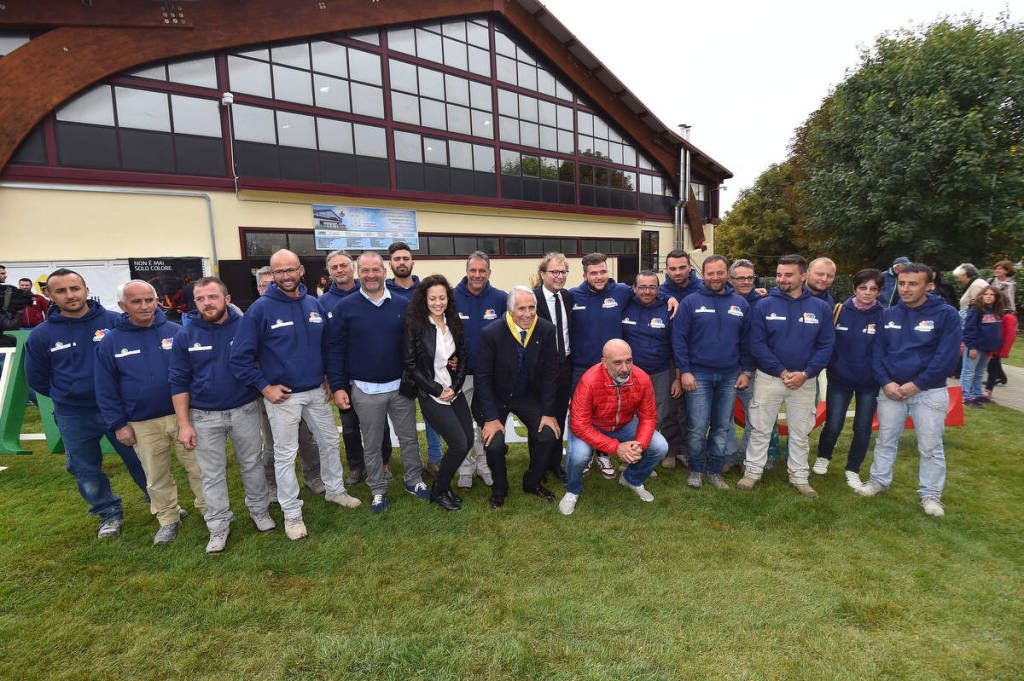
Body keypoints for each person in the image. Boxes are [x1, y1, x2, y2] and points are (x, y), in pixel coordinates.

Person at [231, 249, 360, 542]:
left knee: (329, 441)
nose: (286, 276)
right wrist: (265, 387)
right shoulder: (260, 309)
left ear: (301, 270)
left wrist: (328, 378)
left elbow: (326, 347)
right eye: (279, 272)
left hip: (316, 391)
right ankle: (292, 513)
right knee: (285, 456)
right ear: (271, 276)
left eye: (290, 270)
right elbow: (240, 357)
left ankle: (335, 491)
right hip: (283, 397)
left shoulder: (313, 304)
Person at [24, 268, 149, 539]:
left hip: (120, 410)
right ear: (50, 295)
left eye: (75, 288)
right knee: (86, 469)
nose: (70, 295)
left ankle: (161, 504)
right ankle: (108, 513)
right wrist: (69, 393)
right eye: (61, 291)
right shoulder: (41, 336)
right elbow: (37, 379)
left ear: (86, 290)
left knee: (142, 460)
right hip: (73, 415)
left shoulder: (115, 322)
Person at [94, 279, 206, 545]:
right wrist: (119, 424)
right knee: (156, 475)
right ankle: (168, 519)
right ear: (123, 305)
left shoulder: (177, 332)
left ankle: (210, 511)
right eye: (136, 301)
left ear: (157, 301)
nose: (144, 306)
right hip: (141, 422)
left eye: (148, 300)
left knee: (200, 468)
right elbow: (105, 387)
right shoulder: (110, 343)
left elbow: (195, 372)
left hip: (183, 417)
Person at [169, 277, 276, 554]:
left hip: (244, 409)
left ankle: (260, 511)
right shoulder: (185, 336)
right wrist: (184, 424)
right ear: (195, 303)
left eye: (213, 297)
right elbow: (178, 381)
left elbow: (262, 361)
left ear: (226, 299)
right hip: (203, 417)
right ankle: (218, 525)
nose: (207, 303)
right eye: (201, 299)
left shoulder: (245, 327)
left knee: (251, 464)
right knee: (212, 474)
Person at [857, 263, 961, 517]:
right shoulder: (888, 314)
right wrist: (886, 382)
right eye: (901, 283)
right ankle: (878, 481)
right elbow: (877, 353)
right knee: (884, 440)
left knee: (930, 446)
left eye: (913, 284)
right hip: (891, 391)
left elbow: (946, 358)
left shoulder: (946, 314)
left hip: (928, 392)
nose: (905, 289)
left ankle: (931, 495)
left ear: (929, 285)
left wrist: (917, 384)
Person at [328, 251, 426, 514]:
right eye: (365, 270)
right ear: (358, 273)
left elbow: (415, 345)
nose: (371, 275)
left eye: (376, 270)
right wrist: (338, 387)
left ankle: (414, 481)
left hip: (400, 388)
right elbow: (335, 350)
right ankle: (378, 490)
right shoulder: (345, 308)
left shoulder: (403, 304)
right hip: (365, 390)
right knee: (371, 444)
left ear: (384, 271)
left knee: (408, 439)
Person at [736, 255, 835, 497]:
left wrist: (806, 373)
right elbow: (757, 344)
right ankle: (752, 472)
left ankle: (799, 476)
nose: (782, 279)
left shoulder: (821, 308)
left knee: (801, 432)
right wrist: (781, 371)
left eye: (788, 275)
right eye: (779, 274)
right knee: (760, 428)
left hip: (805, 381)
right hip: (769, 379)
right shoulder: (764, 305)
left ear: (803, 276)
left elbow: (826, 346)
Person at [474, 286, 561, 508]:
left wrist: (549, 413)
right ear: (510, 310)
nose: (528, 313)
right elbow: (482, 378)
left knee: (548, 435)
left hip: (526, 396)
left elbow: (552, 373)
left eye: (532, 308)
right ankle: (499, 488)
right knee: (493, 444)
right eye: (522, 308)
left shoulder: (546, 330)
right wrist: (491, 418)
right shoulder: (491, 333)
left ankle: (532, 482)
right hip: (496, 397)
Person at [560, 339, 668, 515]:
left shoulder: (642, 378)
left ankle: (631, 479)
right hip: (591, 425)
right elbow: (579, 424)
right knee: (579, 456)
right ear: (604, 362)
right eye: (618, 362)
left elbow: (648, 417)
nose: (625, 368)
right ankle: (572, 490)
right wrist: (617, 448)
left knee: (660, 446)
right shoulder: (589, 380)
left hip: (623, 424)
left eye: (629, 361)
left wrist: (637, 446)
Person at [673, 255, 751, 490]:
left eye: (720, 273)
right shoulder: (691, 302)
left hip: (729, 376)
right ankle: (696, 469)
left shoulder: (740, 304)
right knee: (697, 427)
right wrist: (684, 372)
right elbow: (679, 340)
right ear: (703, 274)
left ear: (728, 275)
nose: (715, 277)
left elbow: (747, 342)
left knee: (721, 428)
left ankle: (715, 471)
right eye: (710, 273)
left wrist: (745, 371)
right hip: (698, 376)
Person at [317, 251, 392, 487]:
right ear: (329, 272)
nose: (339, 270)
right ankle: (356, 465)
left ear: (353, 269)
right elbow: (325, 342)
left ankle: (384, 461)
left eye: (343, 265)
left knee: (378, 422)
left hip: (371, 371)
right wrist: (330, 377)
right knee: (349, 425)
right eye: (334, 267)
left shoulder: (372, 294)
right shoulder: (322, 303)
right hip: (343, 375)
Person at [253, 266, 323, 501]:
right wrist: (264, 386)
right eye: (263, 284)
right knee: (274, 444)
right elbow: (245, 356)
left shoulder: (307, 304)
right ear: (258, 288)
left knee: (307, 439)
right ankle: (272, 484)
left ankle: (313, 477)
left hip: (306, 390)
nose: (268, 287)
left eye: (269, 283)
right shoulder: (257, 313)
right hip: (275, 393)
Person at [402, 275, 472, 510]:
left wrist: (456, 386)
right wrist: (437, 389)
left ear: (448, 299)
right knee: (459, 443)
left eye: (442, 297)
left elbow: (462, 357)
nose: (438, 302)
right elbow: (410, 365)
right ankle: (439, 491)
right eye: (433, 298)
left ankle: (443, 487)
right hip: (431, 393)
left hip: (454, 390)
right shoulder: (415, 325)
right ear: (424, 299)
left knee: (468, 439)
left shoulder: (454, 321)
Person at [811, 269, 885, 489]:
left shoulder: (884, 315)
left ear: (879, 291)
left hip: (869, 383)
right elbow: (826, 342)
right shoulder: (838, 310)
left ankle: (853, 468)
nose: (867, 293)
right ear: (854, 289)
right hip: (840, 379)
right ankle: (824, 456)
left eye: (873, 289)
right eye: (863, 288)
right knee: (833, 423)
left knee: (863, 428)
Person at [570, 252, 639, 479]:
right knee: (585, 415)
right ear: (585, 275)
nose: (599, 277)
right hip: (581, 368)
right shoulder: (572, 296)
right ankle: (587, 453)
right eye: (594, 273)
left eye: (602, 272)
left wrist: (670, 297)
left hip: (612, 369)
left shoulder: (621, 292)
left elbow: (649, 293)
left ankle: (604, 453)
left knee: (609, 413)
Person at [385, 240, 442, 476]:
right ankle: (414, 460)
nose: (401, 262)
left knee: (432, 415)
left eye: (405, 258)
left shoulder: (425, 291)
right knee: (405, 419)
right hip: (399, 367)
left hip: (428, 366)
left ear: (412, 262)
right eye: (397, 259)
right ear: (390, 263)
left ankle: (435, 459)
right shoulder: (384, 292)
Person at [452, 251, 505, 489]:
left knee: (486, 424)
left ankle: (484, 466)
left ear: (489, 273)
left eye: (482, 271)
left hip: (489, 376)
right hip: (460, 377)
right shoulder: (451, 298)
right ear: (466, 271)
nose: (477, 275)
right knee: (462, 424)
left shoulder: (501, 299)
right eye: (473, 270)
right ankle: (465, 467)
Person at [621, 270, 676, 478]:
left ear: (658, 289)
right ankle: (629, 459)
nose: (647, 291)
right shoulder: (625, 304)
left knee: (655, 419)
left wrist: (677, 377)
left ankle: (645, 459)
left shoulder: (668, 308)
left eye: (652, 287)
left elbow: (676, 344)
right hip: (629, 375)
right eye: (642, 287)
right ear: (634, 288)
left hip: (659, 373)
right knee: (630, 419)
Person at [723, 258, 768, 470]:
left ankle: (748, 458)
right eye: (740, 278)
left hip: (755, 370)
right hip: (728, 368)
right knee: (725, 417)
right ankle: (729, 456)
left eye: (750, 278)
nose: (746, 282)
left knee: (755, 418)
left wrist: (750, 368)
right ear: (730, 279)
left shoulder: (764, 302)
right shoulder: (721, 299)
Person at [532, 253, 573, 483]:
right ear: (543, 274)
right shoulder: (532, 299)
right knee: (538, 419)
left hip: (564, 366)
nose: (559, 276)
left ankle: (555, 464)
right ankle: (538, 466)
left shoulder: (567, 298)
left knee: (558, 416)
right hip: (540, 370)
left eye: (563, 272)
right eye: (554, 272)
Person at [657, 249, 700, 470]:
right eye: (672, 268)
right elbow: (636, 292)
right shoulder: (661, 290)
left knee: (693, 410)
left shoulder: (702, 288)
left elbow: (728, 292)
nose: (677, 272)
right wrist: (666, 297)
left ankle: (689, 450)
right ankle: (672, 450)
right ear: (666, 270)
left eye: (682, 267)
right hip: (670, 357)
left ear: (690, 267)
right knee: (671, 407)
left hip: (699, 357)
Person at [959, 286, 1004, 408]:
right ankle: (965, 397)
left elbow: (996, 330)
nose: (988, 296)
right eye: (986, 294)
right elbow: (969, 329)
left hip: (988, 348)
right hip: (975, 347)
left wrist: (994, 347)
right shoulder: (976, 310)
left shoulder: (996, 311)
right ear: (981, 295)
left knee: (979, 373)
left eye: (992, 294)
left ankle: (977, 394)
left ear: (996, 297)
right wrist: (972, 347)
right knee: (968, 372)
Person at [984, 289, 1017, 395]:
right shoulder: (993, 312)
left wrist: (1004, 351)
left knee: (992, 368)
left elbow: (1010, 336)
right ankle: (994, 383)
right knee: (991, 367)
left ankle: (989, 390)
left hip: (997, 348)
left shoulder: (1007, 317)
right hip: (990, 345)